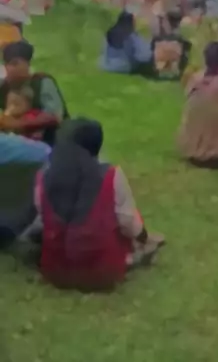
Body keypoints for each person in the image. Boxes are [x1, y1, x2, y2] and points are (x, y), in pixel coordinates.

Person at [32, 118, 164, 291]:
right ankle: (138, 252)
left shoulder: (44, 176)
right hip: (100, 273)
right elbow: (128, 223)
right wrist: (144, 238)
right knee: (129, 222)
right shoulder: (111, 176)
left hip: (55, 271)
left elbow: (42, 217)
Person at [0, 41, 69, 145]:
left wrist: (17, 124)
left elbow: (54, 116)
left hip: (50, 141)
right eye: (7, 65)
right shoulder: (3, 86)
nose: (10, 69)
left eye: (15, 64)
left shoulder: (41, 82)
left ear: (27, 64)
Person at [101, 11, 154, 76]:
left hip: (107, 65)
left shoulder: (110, 32)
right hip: (124, 67)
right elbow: (143, 55)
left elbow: (104, 51)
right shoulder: (131, 35)